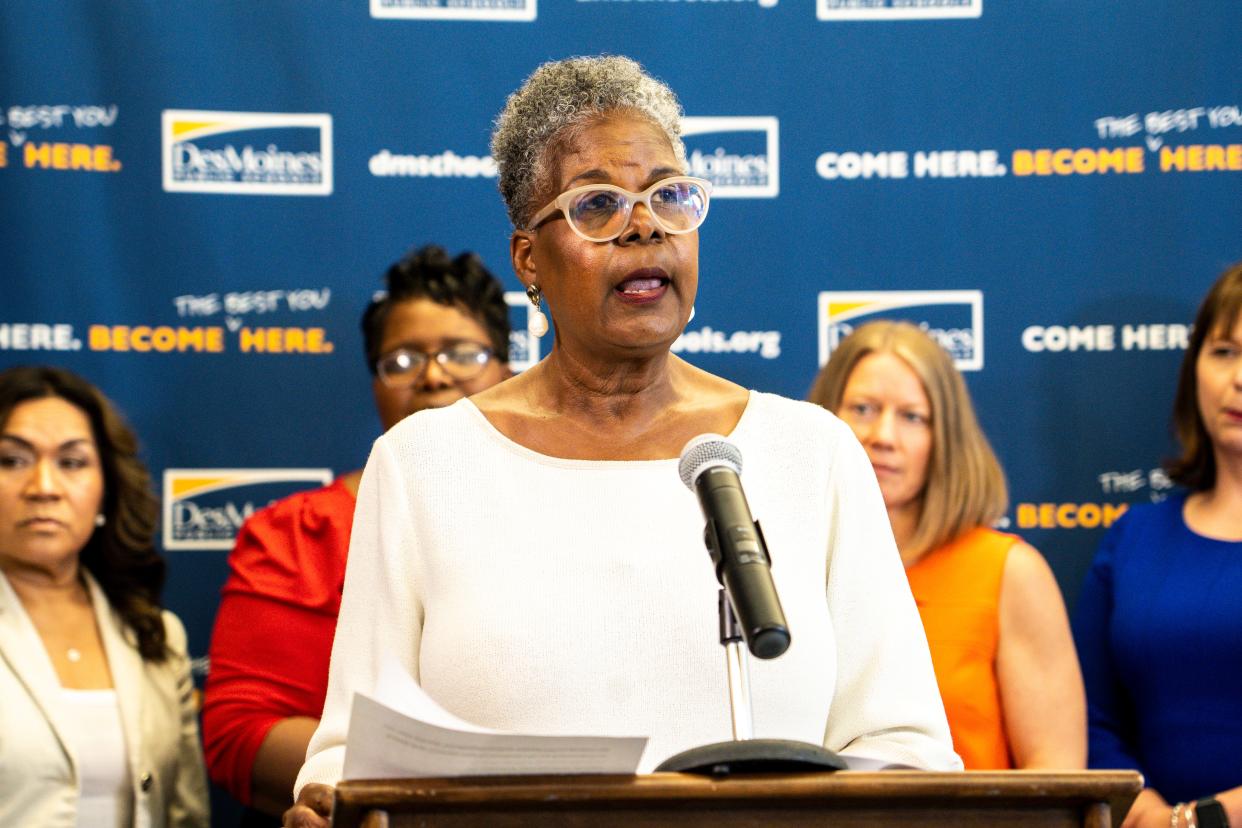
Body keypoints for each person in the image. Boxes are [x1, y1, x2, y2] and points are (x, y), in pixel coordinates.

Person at [285, 55, 960, 828]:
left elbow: (903, 741)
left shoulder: (812, 452)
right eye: (597, 205)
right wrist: (330, 801)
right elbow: (348, 754)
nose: (644, 226)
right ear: (529, 260)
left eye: (669, 196)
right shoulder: (423, 465)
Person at [202, 245, 512, 822]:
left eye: (462, 353)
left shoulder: (558, 514)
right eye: (401, 360)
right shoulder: (295, 534)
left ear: (509, 369)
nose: (434, 376)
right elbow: (238, 732)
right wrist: (424, 785)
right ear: (373, 383)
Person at [808, 320, 1086, 770]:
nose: (883, 436)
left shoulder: (1008, 573)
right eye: (862, 408)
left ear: (945, 438)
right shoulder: (777, 568)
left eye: (912, 417)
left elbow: (1058, 777)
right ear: (824, 419)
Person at [0, 365, 209, 827]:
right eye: (12, 460)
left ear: (106, 489)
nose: (44, 488)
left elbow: (185, 815)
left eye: (71, 462)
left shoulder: (156, 635)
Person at [1075, 263, 1242, 828]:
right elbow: (1089, 717)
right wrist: (1147, 814)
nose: (1238, 376)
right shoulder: (1135, 538)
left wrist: (1205, 821)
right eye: (1223, 351)